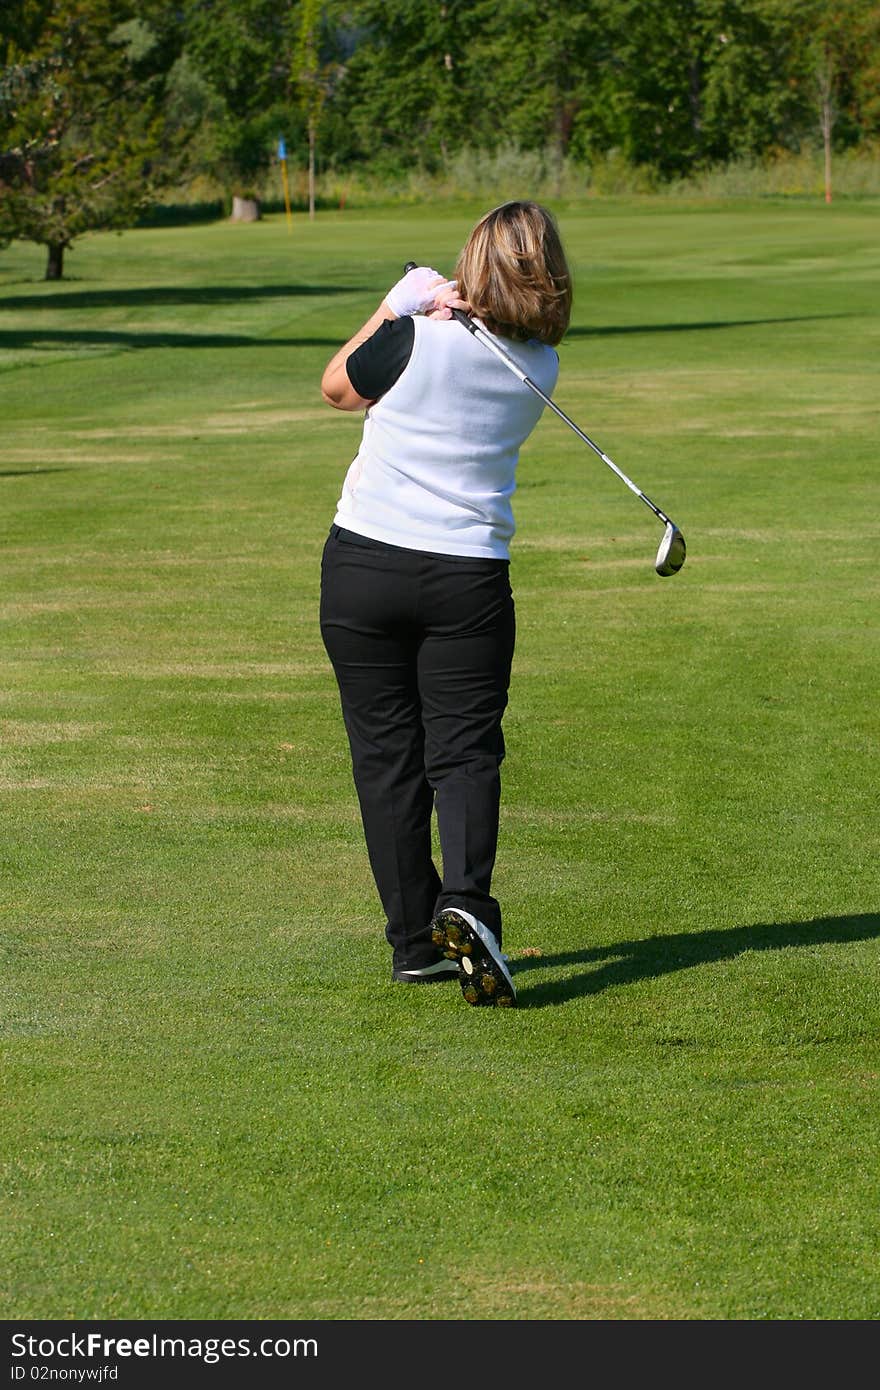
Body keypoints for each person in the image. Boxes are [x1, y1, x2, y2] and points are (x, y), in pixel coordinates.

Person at [319, 200, 572, 1008]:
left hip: (365, 566)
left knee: (387, 759)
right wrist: (435, 307)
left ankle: (411, 943)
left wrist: (397, 304)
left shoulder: (412, 337)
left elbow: (336, 389)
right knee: (463, 753)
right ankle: (465, 903)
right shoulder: (541, 366)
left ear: (475, 267)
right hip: (467, 577)